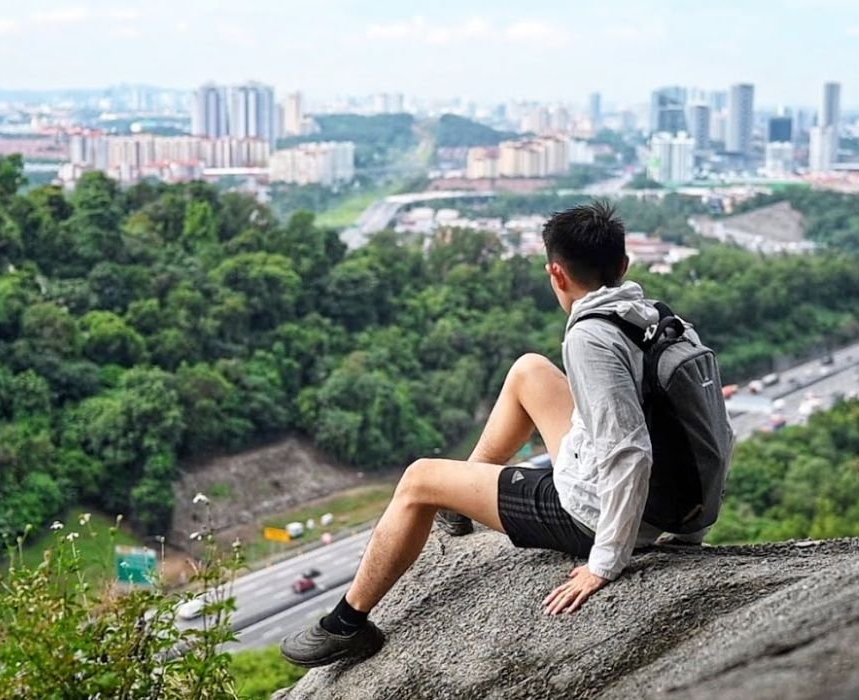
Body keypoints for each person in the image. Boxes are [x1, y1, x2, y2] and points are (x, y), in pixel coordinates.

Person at [281, 201, 715, 668]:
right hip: (664, 501)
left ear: (556, 273)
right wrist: (694, 525)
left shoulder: (590, 337)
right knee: (529, 370)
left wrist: (604, 563)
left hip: (594, 513)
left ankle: (347, 624)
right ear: (623, 265)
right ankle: (461, 501)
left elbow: (628, 452)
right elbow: (712, 426)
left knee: (418, 479)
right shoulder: (655, 317)